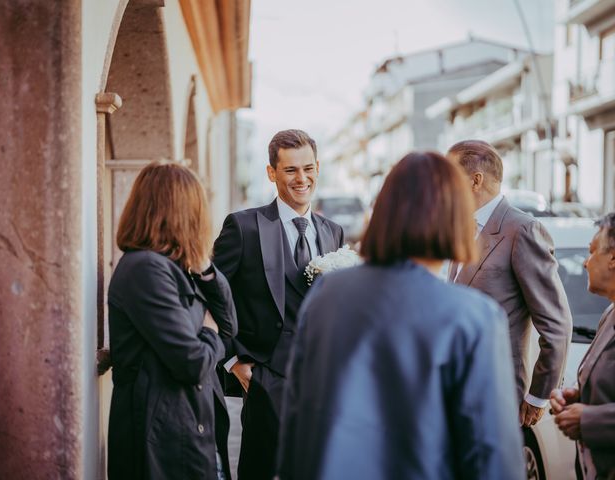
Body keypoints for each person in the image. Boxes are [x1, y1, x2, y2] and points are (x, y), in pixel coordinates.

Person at [277, 151, 525, 480]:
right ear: (456, 218)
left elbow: (297, 418)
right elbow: (491, 457)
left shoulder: (327, 295)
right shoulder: (474, 318)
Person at [212, 129, 344, 480]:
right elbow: (209, 293)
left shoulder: (333, 231)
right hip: (266, 379)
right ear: (271, 173)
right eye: (290, 170)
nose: (302, 179)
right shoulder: (244, 227)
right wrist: (233, 362)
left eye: (308, 168)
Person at [107, 162, 237, 480]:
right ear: (180, 211)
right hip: (164, 443)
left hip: (191, 432)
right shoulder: (145, 269)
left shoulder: (177, 266)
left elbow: (230, 327)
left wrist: (205, 267)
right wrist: (208, 331)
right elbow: (192, 362)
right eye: (197, 207)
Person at [447, 140, 572, 427]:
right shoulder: (461, 227)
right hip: (458, 389)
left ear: (475, 180)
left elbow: (556, 323)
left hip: (498, 395)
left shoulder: (523, 230)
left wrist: (538, 396)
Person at [550, 213, 615, 479]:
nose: (585, 263)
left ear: (613, 258)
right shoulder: (609, 314)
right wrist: (578, 395)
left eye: (591, 252)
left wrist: (588, 420)